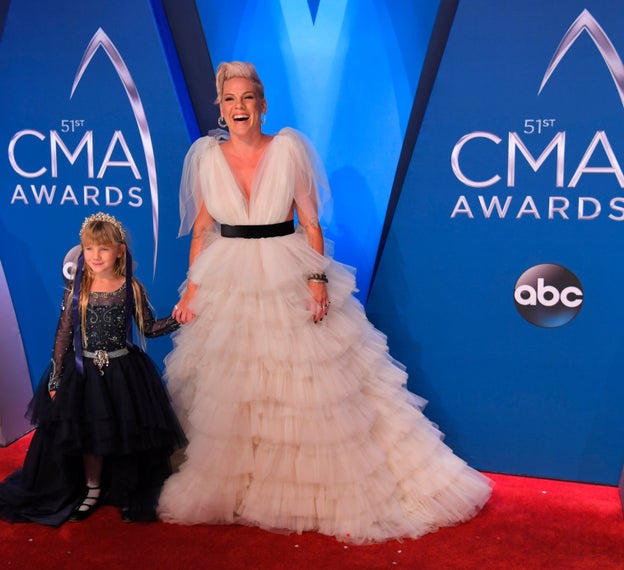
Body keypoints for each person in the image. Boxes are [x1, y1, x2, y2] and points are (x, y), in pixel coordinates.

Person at [156, 61, 492, 543]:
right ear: (221, 108)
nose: (239, 107)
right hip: (227, 274)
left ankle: (294, 490)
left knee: (302, 384)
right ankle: (240, 484)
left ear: (262, 103)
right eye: (230, 100)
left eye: (247, 98)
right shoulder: (207, 156)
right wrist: (192, 287)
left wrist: (316, 281)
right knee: (235, 385)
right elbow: (204, 227)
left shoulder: (287, 149)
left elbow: (310, 223)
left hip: (287, 269)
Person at [0, 212, 185, 525]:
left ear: (119, 250)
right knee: (91, 433)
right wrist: (55, 377)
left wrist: (177, 318)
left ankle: (128, 490)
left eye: (103, 249)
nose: (95, 256)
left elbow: (148, 328)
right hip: (85, 372)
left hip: (124, 371)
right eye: (89, 249)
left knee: (125, 433)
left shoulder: (131, 288)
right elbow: (63, 335)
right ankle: (91, 488)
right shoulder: (77, 289)